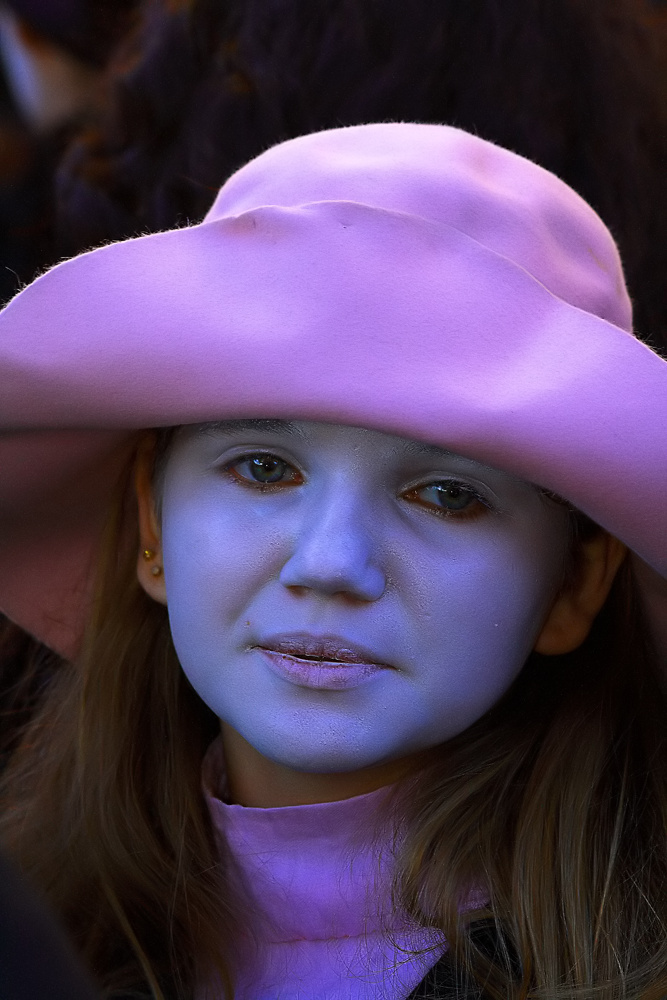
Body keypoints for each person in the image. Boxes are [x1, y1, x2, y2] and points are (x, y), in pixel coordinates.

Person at [0, 123, 666, 1000]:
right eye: (264, 468)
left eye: (446, 495)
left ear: (574, 584)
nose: (331, 564)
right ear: (151, 525)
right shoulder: (36, 927)